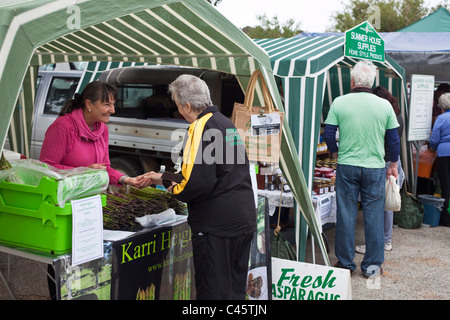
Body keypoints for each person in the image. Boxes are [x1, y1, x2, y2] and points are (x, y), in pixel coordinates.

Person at [144, 74, 256, 300]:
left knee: (213, 291)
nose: (177, 110)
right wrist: (161, 177)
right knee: (233, 290)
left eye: (177, 105)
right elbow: (211, 172)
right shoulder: (225, 122)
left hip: (217, 225)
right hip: (242, 219)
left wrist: (173, 190)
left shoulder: (200, 126)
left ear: (187, 105)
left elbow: (198, 183)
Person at [323, 60, 400, 278]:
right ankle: (372, 266)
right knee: (373, 216)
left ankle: (346, 263)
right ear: (372, 81)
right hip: (375, 167)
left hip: (347, 165)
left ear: (353, 81)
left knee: (346, 214)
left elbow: (329, 134)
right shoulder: (384, 105)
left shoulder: (339, 102)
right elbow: (394, 141)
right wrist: (392, 165)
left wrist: (336, 153)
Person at [39, 81, 146, 188]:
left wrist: (126, 179)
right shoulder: (63, 127)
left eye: (113, 104)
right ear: (89, 104)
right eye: (107, 105)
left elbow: (104, 168)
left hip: (90, 193)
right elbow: (47, 167)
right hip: (63, 194)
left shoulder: (102, 129)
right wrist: (83, 171)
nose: (113, 110)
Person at [355, 86, 405, 254]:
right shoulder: (397, 115)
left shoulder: (383, 115)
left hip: (383, 163)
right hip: (394, 162)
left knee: (377, 205)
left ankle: (377, 243)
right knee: (387, 204)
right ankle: (386, 240)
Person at [429, 92, 450, 227]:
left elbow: (434, 140)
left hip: (444, 154)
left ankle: (446, 219)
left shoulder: (441, 119)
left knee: (446, 187)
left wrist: (432, 147)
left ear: (442, 106)